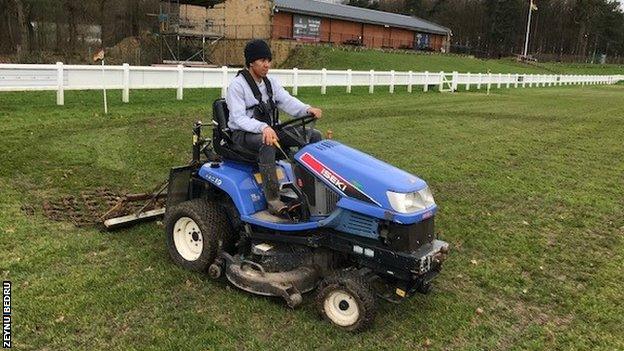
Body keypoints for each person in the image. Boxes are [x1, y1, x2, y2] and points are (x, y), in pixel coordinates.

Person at [225, 39, 323, 215]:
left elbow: (287, 101)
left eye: (268, 60)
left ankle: (311, 188)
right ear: (250, 62)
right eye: (262, 60)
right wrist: (263, 128)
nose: (267, 65)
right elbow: (238, 118)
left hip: (269, 129)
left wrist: (306, 109)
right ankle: (273, 199)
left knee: (314, 136)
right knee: (267, 143)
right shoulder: (237, 86)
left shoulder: (271, 83)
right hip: (243, 134)